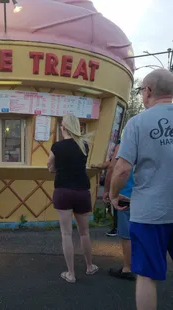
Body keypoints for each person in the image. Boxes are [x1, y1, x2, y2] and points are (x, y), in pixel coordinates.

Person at [110, 68, 173, 310]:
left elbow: (122, 169)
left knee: (146, 276)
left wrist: (114, 195)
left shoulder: (137, 123)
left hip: (149, 213)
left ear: (148, 91)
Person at [47, 114, 98, 283]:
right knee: (84, 233)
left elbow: (50, 167)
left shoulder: (57, 147)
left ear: (63, 127)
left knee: (66, 234)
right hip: (82, 191)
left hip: (63, 191)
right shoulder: (84, 145)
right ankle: (90, 266)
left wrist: (58, 168)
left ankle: (71, 274)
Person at [104, 138, 136, 281]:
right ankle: (145, 266)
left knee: (126, 234)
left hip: (125, 195)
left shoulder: (124, 144)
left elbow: (114, 168)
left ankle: (127, 268)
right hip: (146, 196)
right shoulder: (150, 141)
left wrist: (108, 191)